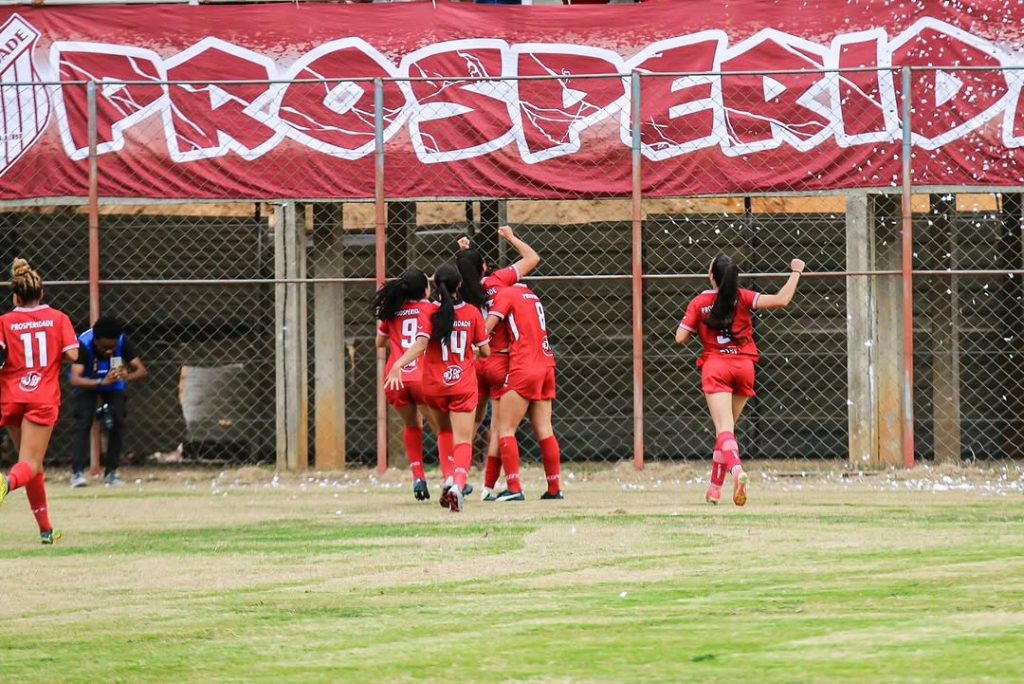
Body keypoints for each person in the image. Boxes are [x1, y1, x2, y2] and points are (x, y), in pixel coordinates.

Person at [675, 255, 805, 506]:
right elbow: (782, 300)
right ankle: (714, 489)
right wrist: (796, 272)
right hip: (744, 366)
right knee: (727, 432)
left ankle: (737, 471)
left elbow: (680, 337)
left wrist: (694, 325)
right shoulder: (743, 297)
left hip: (716, 367)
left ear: (711, 276)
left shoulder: (700, 302)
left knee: (724, 429)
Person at [384, 263, 490, 513]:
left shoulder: (429, 312)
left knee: (443, 432)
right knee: (463, 439)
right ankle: (458, 484)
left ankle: (447, 479)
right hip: (462, 383)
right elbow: (485, 351)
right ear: (459, 285)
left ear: (436, 286)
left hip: (433, 385)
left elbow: (420, 344)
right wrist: (472, 352)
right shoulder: (472, 312)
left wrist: (398, 364)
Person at [454, 225, 540, 500]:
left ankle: (458, 479)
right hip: (497, 359)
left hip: (471, 361)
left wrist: (465, 256)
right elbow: (532, 259)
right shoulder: (496, 282)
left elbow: (465, 275)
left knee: (470, 425)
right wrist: (512, 238)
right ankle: (500, 487)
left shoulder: (459, 290)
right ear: (484, 267)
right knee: (500, 428)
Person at [0, 258, 79, 544]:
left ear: (15, 296)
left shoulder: (5, 322)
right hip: (41, 397)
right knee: (30, 464)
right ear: (42, 293)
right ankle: (5, 483)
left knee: (32, 465)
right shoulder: (58, 318)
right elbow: (73, 355)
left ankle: (46, 530)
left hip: (11, 396)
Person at [485, 282, 563, 501]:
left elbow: (486, 328)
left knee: (505, 428)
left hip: (524, 365)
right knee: (545, 429)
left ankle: (514, 486)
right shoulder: (530, 294)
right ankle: (554, 488)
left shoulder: (506, 294)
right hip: (546, 364)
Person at [374, 269, 441, 501]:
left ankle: (418, 477)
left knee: (412, 425)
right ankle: (452, 479)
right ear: (425, 289)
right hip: (422, 376)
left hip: (395, 379)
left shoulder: (392, 311)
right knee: (443, 430)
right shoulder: (430, 308)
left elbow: (380, 343)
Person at [68, 315, 147, 487]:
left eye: (113, 347)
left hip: (113, 384)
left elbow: (141, 370)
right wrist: (99, 382)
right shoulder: (83, 344)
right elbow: (75, 379)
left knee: (118, 421)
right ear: (96, 340)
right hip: (88, 383)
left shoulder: (121, 340)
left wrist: (128, 376)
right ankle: (77, 473)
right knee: (83, 421)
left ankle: (111, 472)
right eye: (105, 347)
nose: (109, 351)